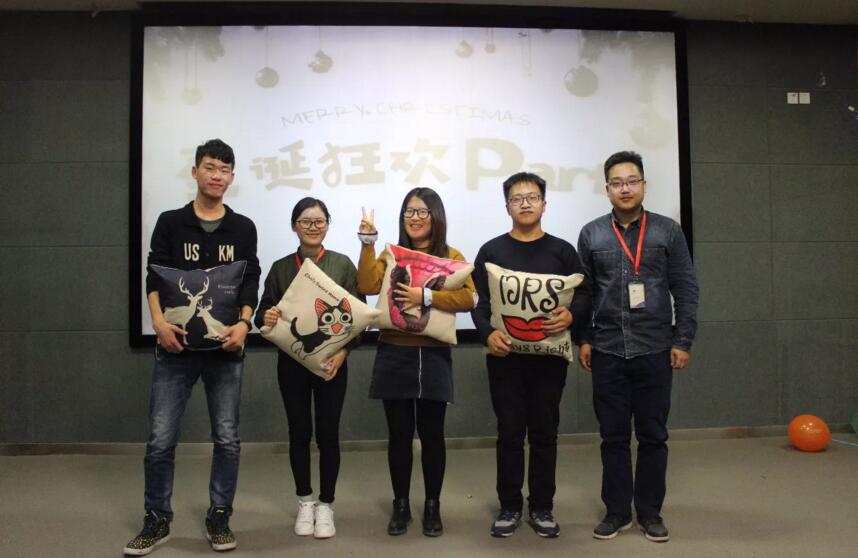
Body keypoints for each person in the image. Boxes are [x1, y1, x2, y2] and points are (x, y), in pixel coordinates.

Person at [124, 139, 260, 555]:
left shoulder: (243, 227)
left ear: (232, 177)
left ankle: (219, 517)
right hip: (175, 349)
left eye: (224, 169)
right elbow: (154, 274)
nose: (217, 175)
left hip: (226, 351)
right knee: (160, 440)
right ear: (195, 171)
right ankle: (156, 519)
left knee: (228, 439)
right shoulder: (170, 222)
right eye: (210, 167)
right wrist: (158, 322)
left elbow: (250, 279)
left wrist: (244, 323)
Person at [577, 150, 699, 543]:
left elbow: (686, 288)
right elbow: (584, 294)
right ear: (607, 189)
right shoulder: (592, 234)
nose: (625, 188)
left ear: (644, 184)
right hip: (608, 349)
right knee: (612, 437)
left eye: (632, 181)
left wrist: (683, 340)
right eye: (617, 183)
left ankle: (649, 512)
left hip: (655, 348)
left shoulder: (668, 231)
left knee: (653, 435)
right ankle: (616, 511)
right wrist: (584, 338)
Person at [471, 172, 590, 539]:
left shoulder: (562, 251)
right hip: (505, 359)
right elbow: (478, 302)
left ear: (544, 204)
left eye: (532, 197)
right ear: (507, 206)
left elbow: (585, 294)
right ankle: (509, 506)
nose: (525, 203)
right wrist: (487, 333)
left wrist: (572, 315)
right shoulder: (491, 251)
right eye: (517, 198)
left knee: (544, 433)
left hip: (549, 361)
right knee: (509, 433)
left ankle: (542, 506)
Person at [357, 187, 475, 537]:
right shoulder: (391, 253)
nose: (415, 217)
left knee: (433, 435)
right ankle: (401, 505)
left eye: (423, 211)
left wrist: (425, 295)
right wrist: (367, 244)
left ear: (436, 216)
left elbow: (469, 298)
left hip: (434, 354)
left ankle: (432, 506)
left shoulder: (451, 255)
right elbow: (367, 284)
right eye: (409, 211)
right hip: (393, 350)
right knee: (399, 435)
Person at [254, 197, 361, 539]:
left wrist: (343, 353)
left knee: (328, 434)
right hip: (291, 365)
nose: (313, 227)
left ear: (328, 224)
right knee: (299, 432)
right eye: (305, 221)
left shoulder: (343, 265)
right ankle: (305, 500)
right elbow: (261, 316)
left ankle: (326, 504)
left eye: (319, 221)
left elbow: (359, 318)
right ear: (294, 226)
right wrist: (267, 316)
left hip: (332, 365)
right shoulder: (281, 267)